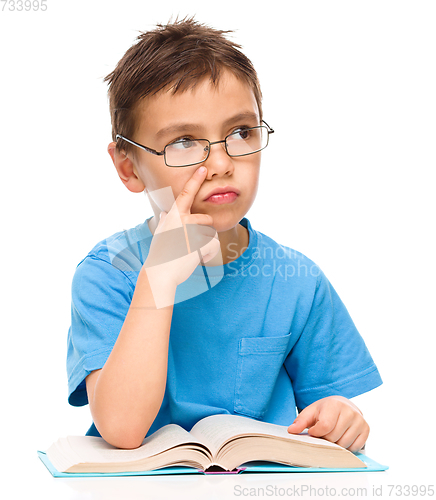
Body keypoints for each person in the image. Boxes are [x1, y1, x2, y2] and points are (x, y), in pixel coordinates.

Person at [67, 18, 382, 450]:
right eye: (183, 141)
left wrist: (342, 416)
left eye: (240, 132)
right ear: (128, 166)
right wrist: (157, 280)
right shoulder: (107, 275)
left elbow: (328, 411)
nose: (221, 163)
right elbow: (121, 429)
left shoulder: (296, 280)